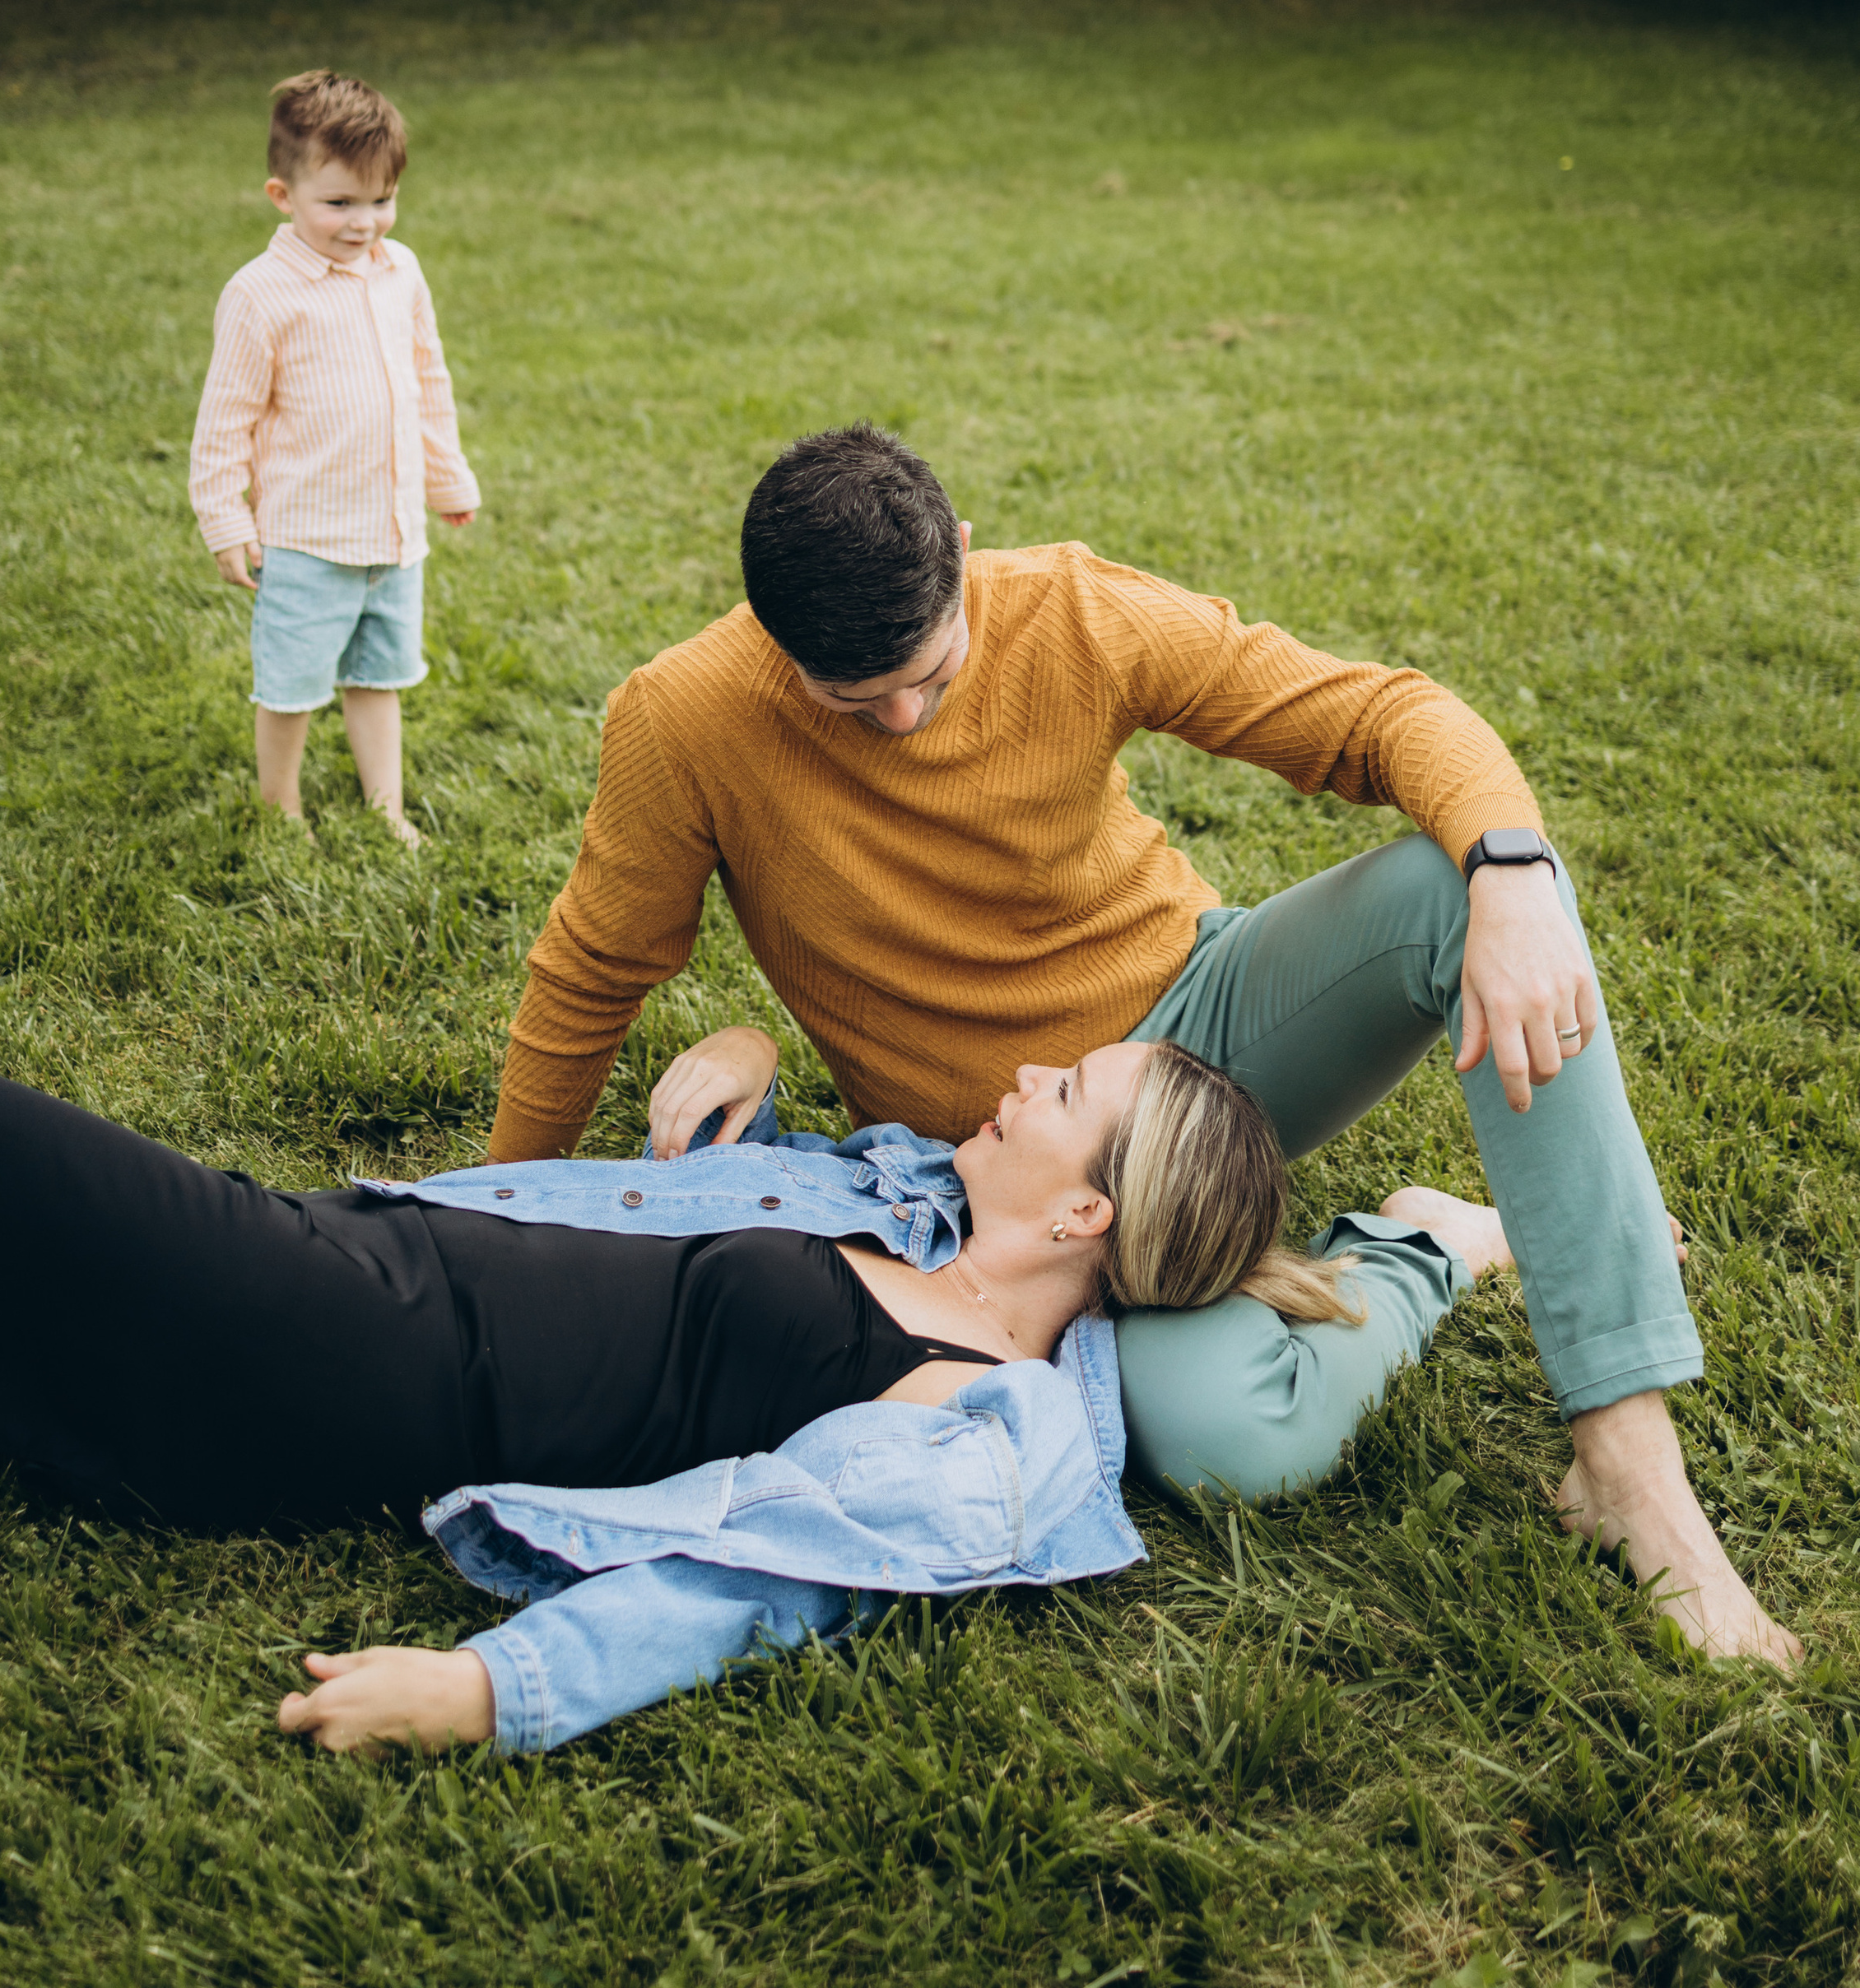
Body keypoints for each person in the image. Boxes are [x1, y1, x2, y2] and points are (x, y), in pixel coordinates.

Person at [486, 425, 1798, 1669]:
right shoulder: (682, 718)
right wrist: (495, 1211)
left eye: (930, 675)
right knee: (1227, 1435)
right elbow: (593, 972)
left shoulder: (1070, 611)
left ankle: (1630, 1469)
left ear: (959, 549)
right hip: (1011, 1173)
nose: (902, 722)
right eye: (854, 699)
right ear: (772, 640)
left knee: (1461, 888)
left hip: (1205, 1034)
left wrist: (1511, 869)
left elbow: (1379, 716)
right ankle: (1431, 1242)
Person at [0, 1020, 1479, 1754]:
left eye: (1067, 1090)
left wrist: (485, 1690)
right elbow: (706, 1217)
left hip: (337, 1346)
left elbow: (761, 1583)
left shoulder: (982, 1415)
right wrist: (739, 1058)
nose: (1027, 1076)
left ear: (1089, 1213)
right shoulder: (910, 1206)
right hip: (353, 1252)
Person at [188, 70, 480, 844]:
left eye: (382, 200)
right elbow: (225, 420)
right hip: (308, 538)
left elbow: (427, 379)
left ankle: (387, 806)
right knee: (291, 687)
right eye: (340, 203)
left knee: (379, 677)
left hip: (393, 533)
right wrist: (224, 519)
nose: (364, 223)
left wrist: (446, 476)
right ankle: (280, 808)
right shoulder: (260, 295)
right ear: (282, 195)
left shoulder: (400, 271)